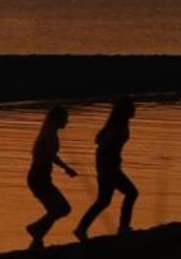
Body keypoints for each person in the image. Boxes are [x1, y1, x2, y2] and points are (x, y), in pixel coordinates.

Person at [74, 98, 139, 241]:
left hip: (108, 167)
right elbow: (104, 149)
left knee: (103, 201)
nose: (135, 110)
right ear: (125, 111)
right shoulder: (118, 127)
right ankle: (123, 227)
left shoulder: (118, 124)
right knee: (132, 193)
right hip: (109, 168)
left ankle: (81, 228)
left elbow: (103, 147)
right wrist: (108, 167)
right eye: (132, 108)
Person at [26, 105, 77, 248]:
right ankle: (35, 230)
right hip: (38, 178)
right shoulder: (49, 134)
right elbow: (50, 155)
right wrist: (66, 168)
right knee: (62, 209)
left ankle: (37, 237)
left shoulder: (49, 132)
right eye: (65, 118)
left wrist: (66, 168)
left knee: (57, 209)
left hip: (40, 177)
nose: (67, 121)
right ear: (57, 119)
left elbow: (50, 156)